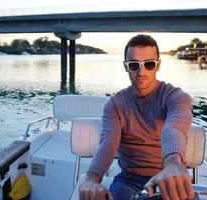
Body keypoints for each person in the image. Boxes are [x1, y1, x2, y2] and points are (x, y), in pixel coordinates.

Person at [79, 34, 194, 200]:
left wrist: (173, 164)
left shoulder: (175, 97)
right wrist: (91, 179)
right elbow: (108, 143)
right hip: (128, 179)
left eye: (149, 64)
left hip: (169, 174)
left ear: (158, 65)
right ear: (125, 66)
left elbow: (174, 128)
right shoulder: (114, 104)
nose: (141, 72)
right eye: (134, 65)